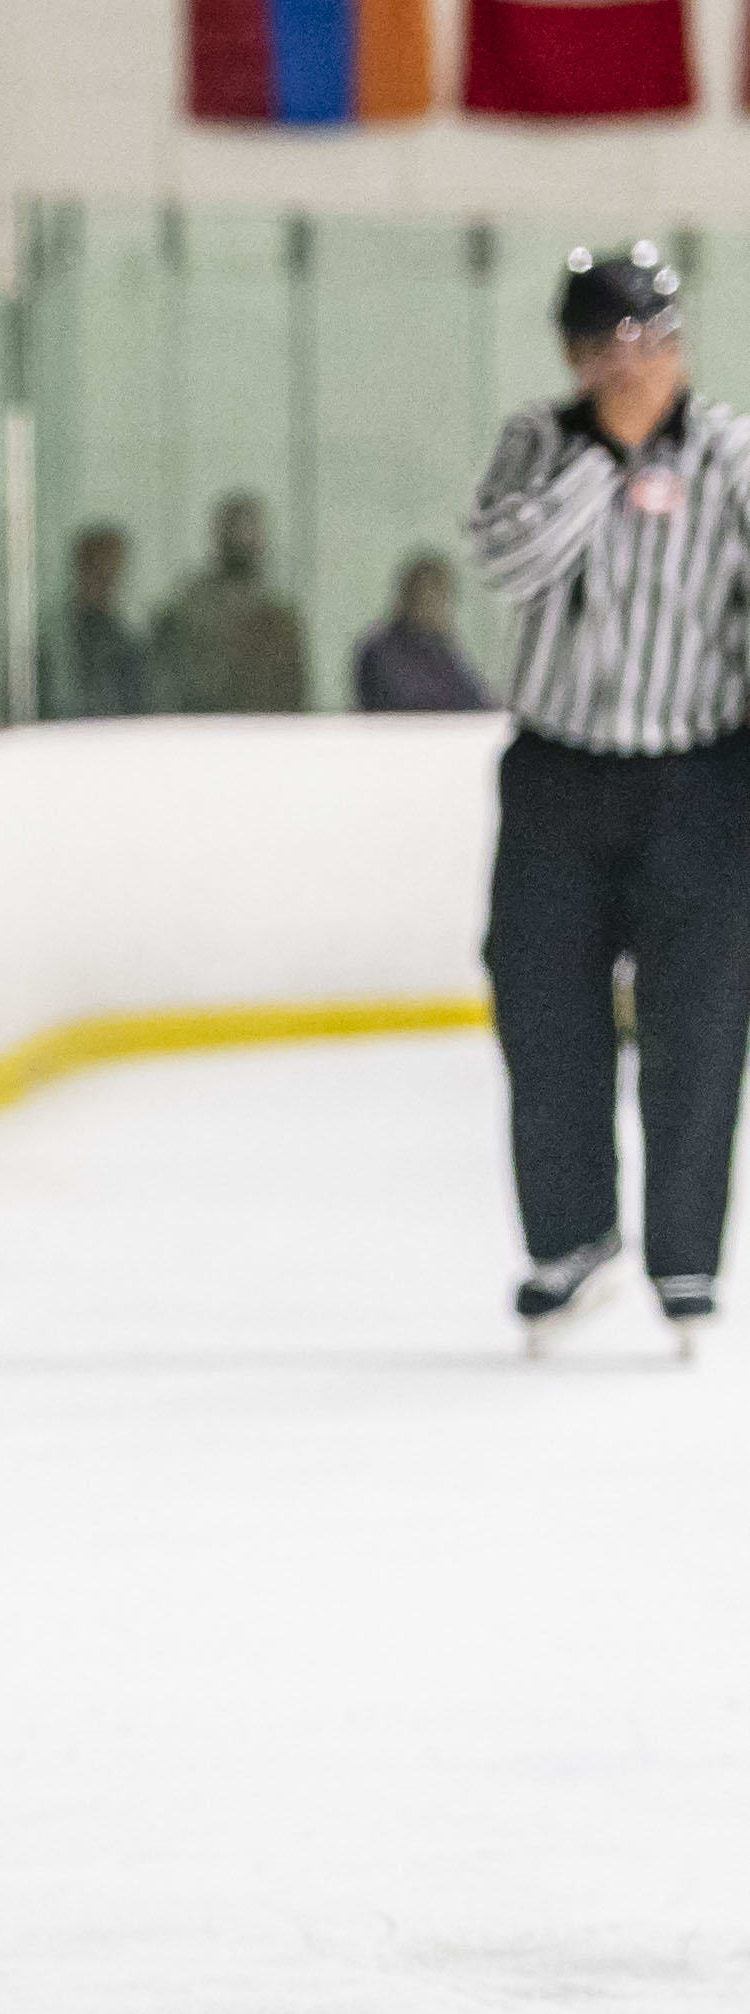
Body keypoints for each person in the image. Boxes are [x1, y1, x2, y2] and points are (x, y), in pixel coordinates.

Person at [464, 241, 750, 1350]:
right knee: (542, 1007)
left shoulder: (730, 452)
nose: (629, 364)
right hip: (560, 774)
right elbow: (508, 564)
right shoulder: (538, 444)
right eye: (603, 345)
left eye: (645, 342)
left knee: (699, 1017)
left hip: (701, 774)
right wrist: (609, 458)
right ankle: (572, 1239)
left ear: (677, 344)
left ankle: (686, 1257)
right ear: (574, 354)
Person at [151, 493, 310, 714]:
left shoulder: (279, 619)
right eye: (236, 529)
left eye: (250, 530)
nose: (243, 538)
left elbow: (294, 692)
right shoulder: (186, 613)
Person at [351, 551, 492, 714]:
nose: (434, 605)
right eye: (426, 594)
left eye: (441, 597)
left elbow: (476, 699)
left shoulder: (441, 650)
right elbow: (413, 701)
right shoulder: (381, 650)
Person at [44, 522, 152, 718]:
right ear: (81, 568)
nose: (106, 575)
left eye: (113, 567)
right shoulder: (55, 637)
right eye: (98, 566)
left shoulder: (129, 636)